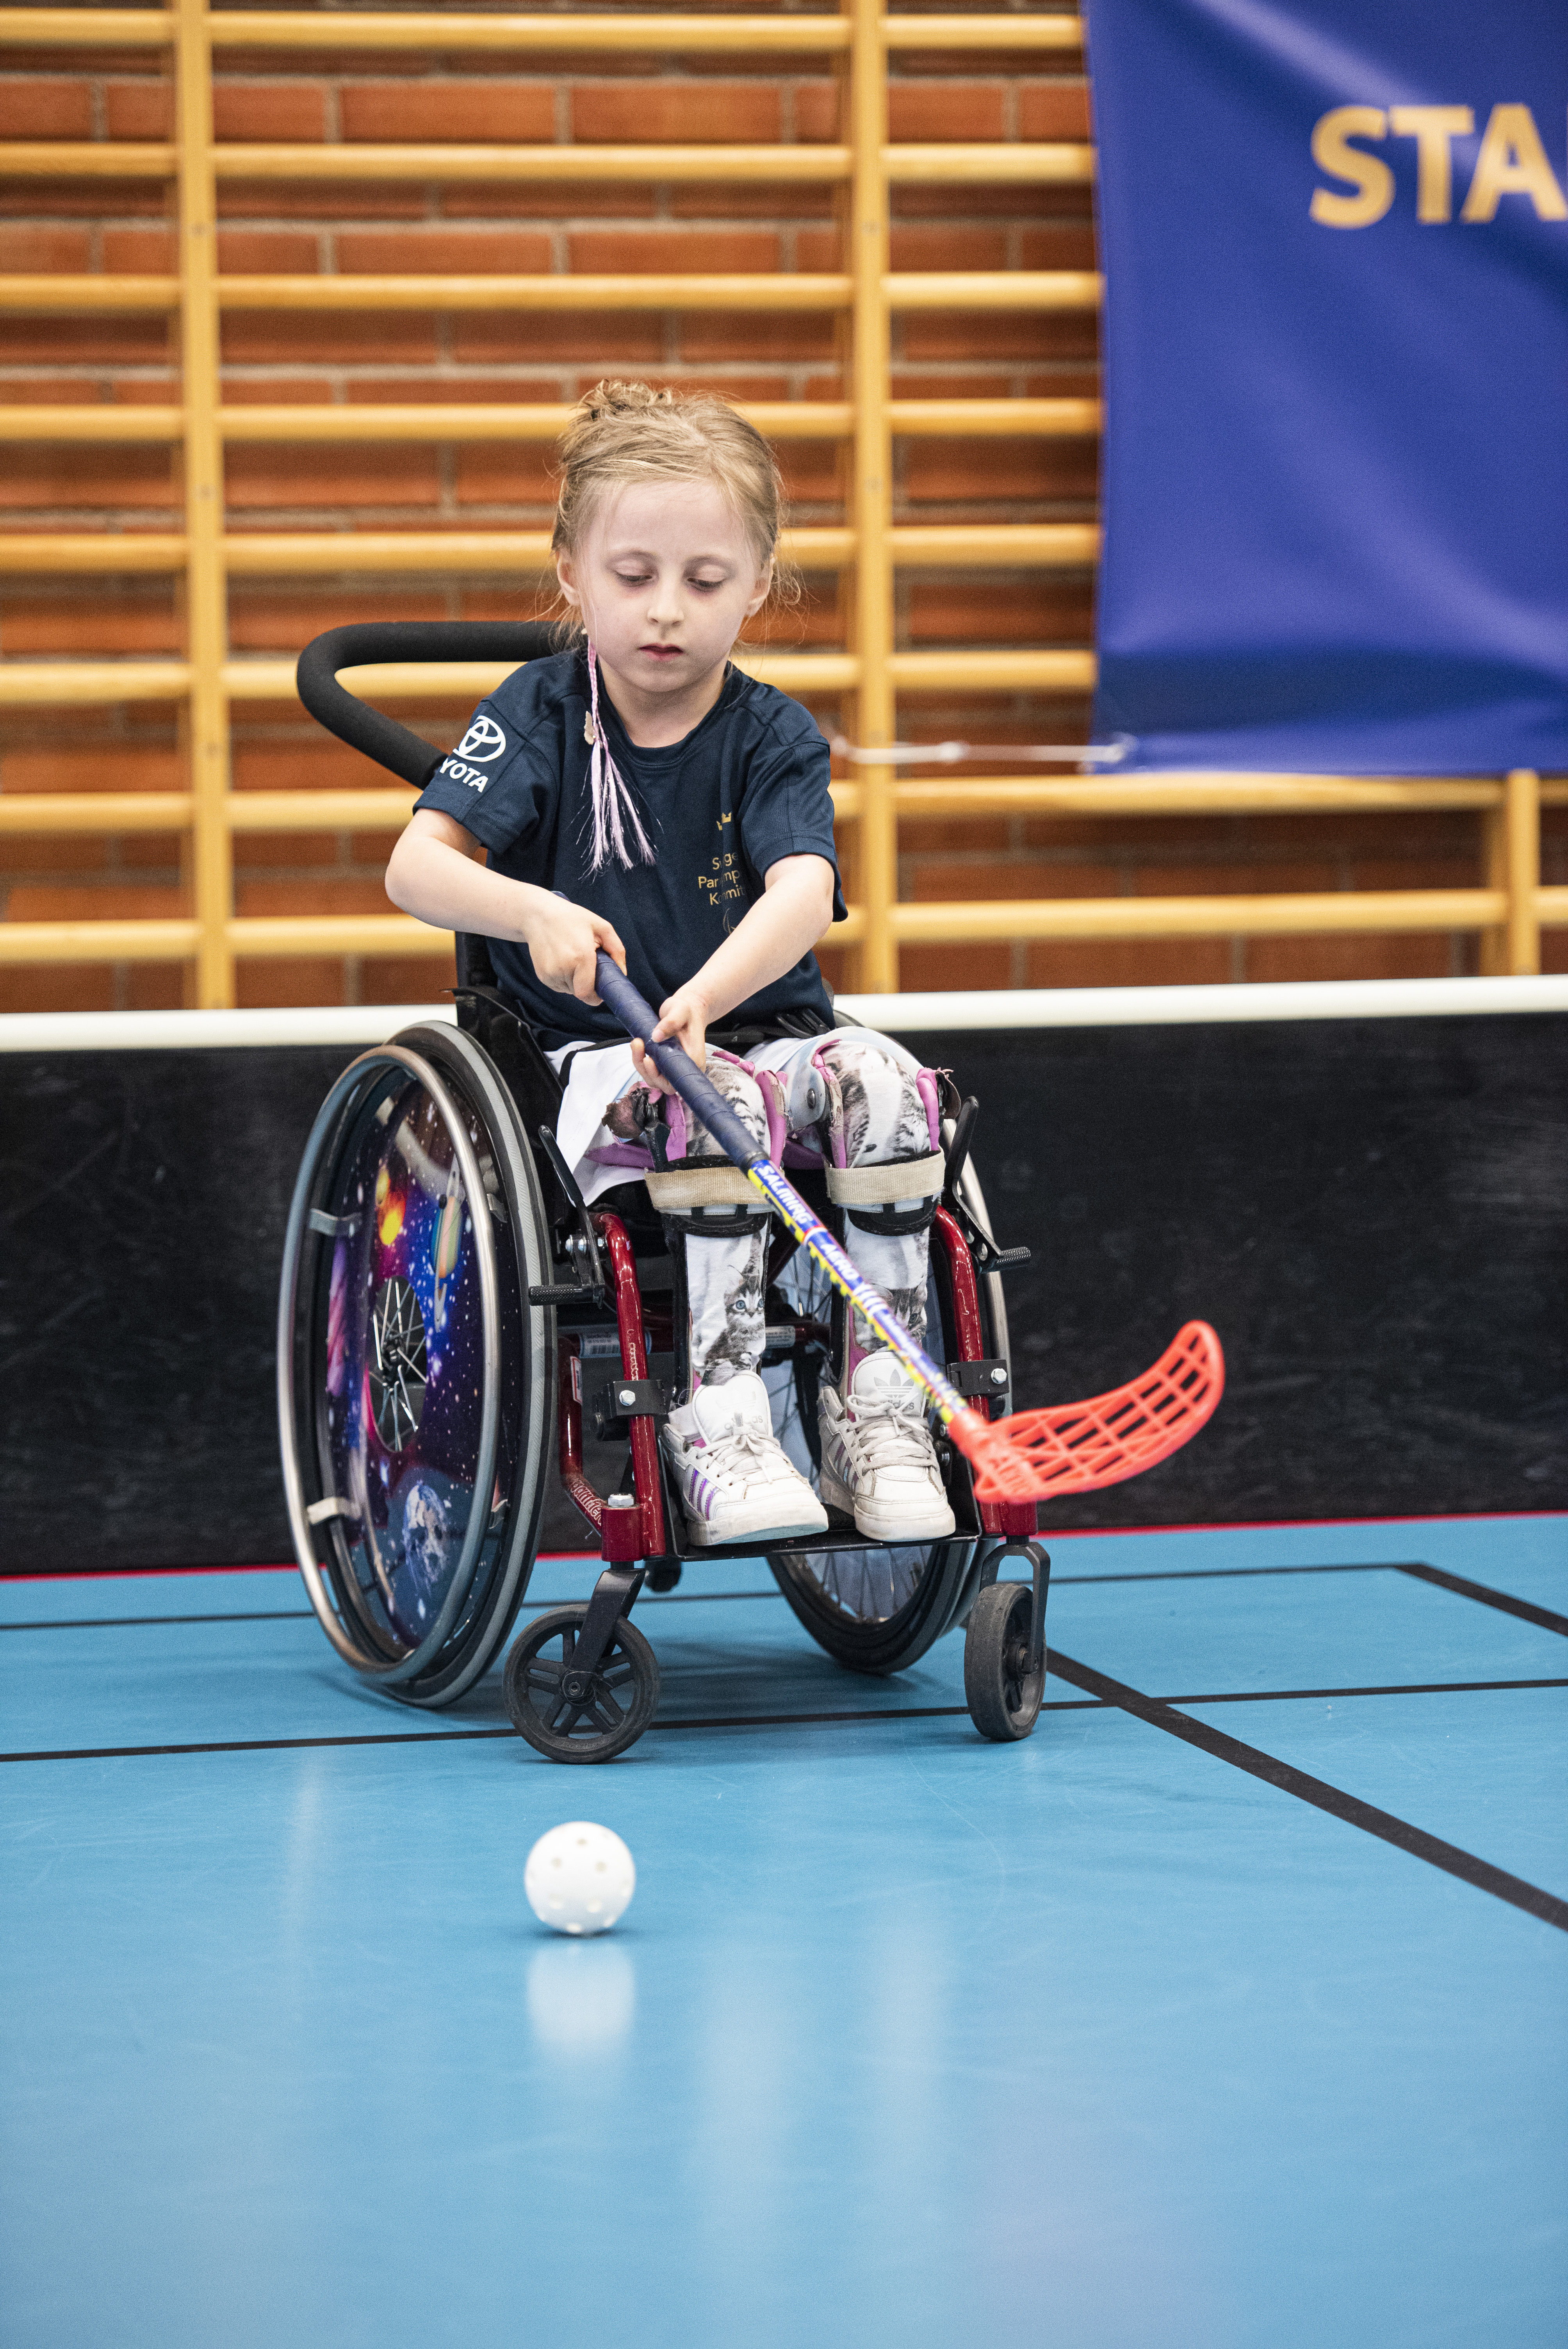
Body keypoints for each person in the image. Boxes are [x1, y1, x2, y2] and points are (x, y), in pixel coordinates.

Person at [386, 380, 955, 1551]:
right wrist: (530, 908)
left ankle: (883, 1411)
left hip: (753, 1040)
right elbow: (414, 868)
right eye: (633, 576)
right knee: (712, 1095)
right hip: (599, 1066)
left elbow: (803, 893)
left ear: (759, 585)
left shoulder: (774, 734)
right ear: (572, 574)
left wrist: (703, 1000)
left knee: (889, 1083)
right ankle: (718, 1413)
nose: (666, 611)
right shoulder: (538, 713)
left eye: (705, 581)